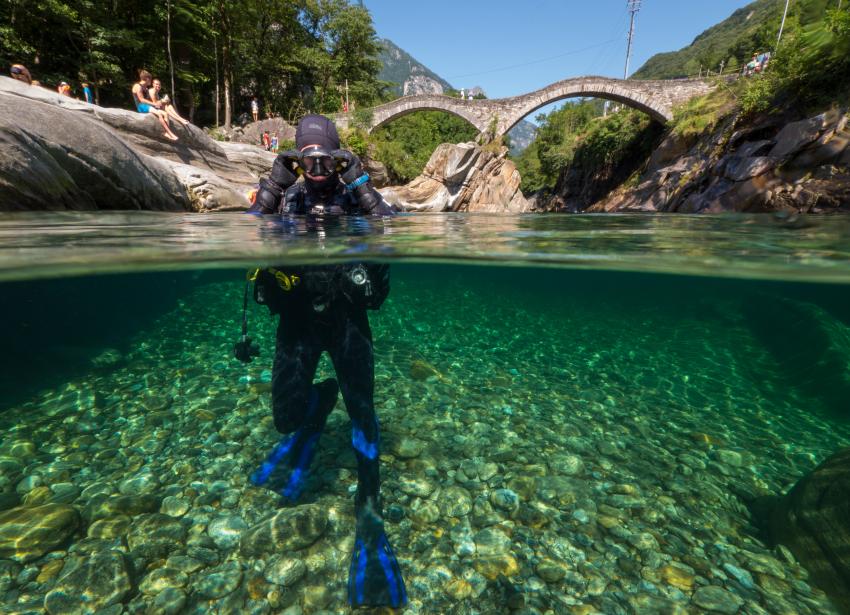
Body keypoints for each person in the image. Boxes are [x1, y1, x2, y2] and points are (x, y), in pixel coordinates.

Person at [242, 114, 404, 609]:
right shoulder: (285, 196)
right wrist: (272, 183)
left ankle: (369, 507)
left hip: (348, 319)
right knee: (284, 419)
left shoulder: (356, 195)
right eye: (305, 158)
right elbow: (246, 233)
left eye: (325, 159)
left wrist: (361, 182)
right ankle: (316, 407)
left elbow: (396, 230)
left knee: (363, 411)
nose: (315, 169)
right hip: (297, 319)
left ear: (338, 158)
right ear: (295, 158)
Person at [131, 70, 179, 141]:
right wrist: (154, 104)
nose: (151, 81)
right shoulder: (138, 86)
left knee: (165, 114)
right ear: (147, 79)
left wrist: (161, 101)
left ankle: (166, 132)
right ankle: (169, 133)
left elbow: (151, 100)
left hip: (148, 106)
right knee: (159, 113)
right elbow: (141, 100)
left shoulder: (146, 88)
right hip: (141, 106)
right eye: (150, 79)